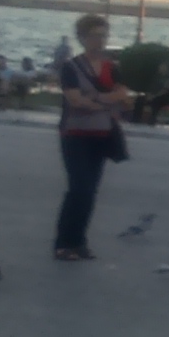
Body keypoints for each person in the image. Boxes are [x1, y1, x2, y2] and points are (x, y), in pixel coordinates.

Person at [53, 14, 129, 260]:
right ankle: (64, 243)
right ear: (82, 38)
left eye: (104, 35)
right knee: (79, 188)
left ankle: (79, 241)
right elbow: (75, 100)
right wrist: (105, 101)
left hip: (102, 134)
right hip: (75, 135)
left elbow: (122, 94)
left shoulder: (112, 68)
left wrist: (96, 99)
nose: (100, 40)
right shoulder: (71, 67)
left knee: (91, 191)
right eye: (95, 35)